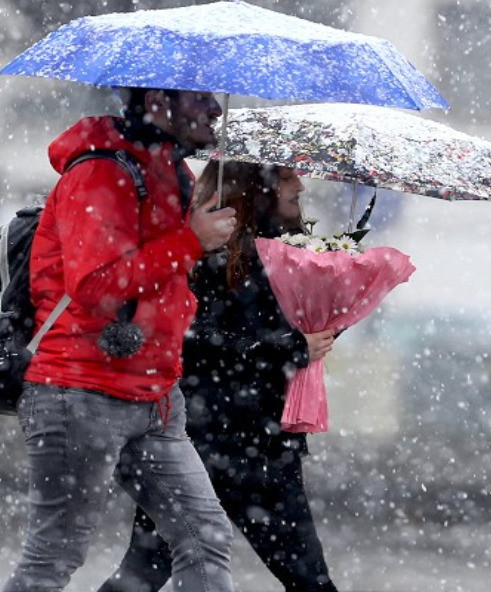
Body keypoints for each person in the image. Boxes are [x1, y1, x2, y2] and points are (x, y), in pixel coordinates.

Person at [4, 88, 238, 592]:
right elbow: (95, 286)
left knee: (205, 537)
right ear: (157, 100)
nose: (215, 109)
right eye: (200, 98)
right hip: (79, 391)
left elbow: (167, 275)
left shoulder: (173, 171)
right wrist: (191, 241)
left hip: (155, 397)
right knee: (53, 557)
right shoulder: (100, 172)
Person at [100, 161, 341, 592]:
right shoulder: (204, 251)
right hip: (205, 440)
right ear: (255, 185)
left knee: (309, 581)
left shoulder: (292, 251)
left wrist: (329, 321)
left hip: (263, 444)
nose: (301, 186)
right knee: (144, 571)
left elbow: (283, 335)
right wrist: (288, 347)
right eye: (288, 176)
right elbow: (193, 339)